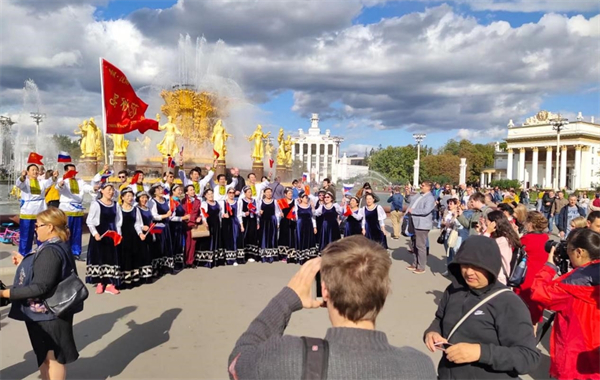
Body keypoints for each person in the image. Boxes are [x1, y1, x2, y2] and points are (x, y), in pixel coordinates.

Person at [228, 236, 437, 379]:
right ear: (384, 291)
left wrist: (286, 299)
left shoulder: (287, 357)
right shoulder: (419, 366)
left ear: (325, 291)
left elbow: (237, 362)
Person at [423, 236, 541, 379]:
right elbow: (439, 319)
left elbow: (529, 358)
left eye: (477, 267)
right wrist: (432, 332)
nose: (469, 272)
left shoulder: (508, 303)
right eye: (464, 265)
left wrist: (480, 353)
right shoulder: (453, 290)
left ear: (491, 266)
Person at [1, 208, 81, 380]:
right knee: (46, 357)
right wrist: (24, 263)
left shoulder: (51, 250)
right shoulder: (57, 245)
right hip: (50, 312)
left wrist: (5, 293)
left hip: (48, 314)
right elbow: (48, 273)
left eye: (38, 226)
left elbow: (41, 287)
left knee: (52, 358)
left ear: (50, 227)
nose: (35, 229)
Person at [531, 228, 600, 380]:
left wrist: (549, 266)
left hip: (575, 355)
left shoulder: (571, 286)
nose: (566, 253)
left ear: (580, 252)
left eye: (568, 249)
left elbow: (539, 292)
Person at [86, 183, 122, 295]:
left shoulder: (116, 205)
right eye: (108, 190)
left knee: (112, 258)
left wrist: (119, 234)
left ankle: (111, 284)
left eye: (112, 190)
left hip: (112, 234)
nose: (111, 192)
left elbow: (118, 221)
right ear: (102, 191)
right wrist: (95, 233)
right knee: (99, 257)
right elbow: (90, 221)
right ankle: (100, 282)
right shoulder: (96, 204)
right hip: (100, 235)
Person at [514, 211, 548, 328]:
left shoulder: (527, 239)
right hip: (541, 279)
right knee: (534, 318)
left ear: (531, 224)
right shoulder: (546, 237)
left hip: (527, 278)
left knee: (521, 314)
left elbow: (514, 250)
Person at [16, 164, 57, 255]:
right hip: (27, 213)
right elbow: (18, 183)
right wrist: (22, 176)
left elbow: (49, 182)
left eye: (36, 170)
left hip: (40, 212)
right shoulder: (25, 182)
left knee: (42, 234)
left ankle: (42, 253)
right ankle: (24, 255)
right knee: (26, 236)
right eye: (33, 170)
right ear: (28, 172)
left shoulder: (41, 182)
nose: (35, 171)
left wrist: (54, 177)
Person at [56, 164, 93, 260]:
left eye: (74, 171)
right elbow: (59, 187)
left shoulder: (80, 181)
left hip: (77, 209)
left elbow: (86, 187)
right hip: (66, 209)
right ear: (66, 171)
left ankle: (76, 252)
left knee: (77, 232)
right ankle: (64, 252)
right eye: (70, 171)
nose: (73, 173)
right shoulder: (62, 180)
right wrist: (61, 184)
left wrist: (93, 189)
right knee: (65, 232)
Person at [482, 210, 522, 285]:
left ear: (493, 223)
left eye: (486, 221)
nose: (485, 222)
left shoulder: (502, 240)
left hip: (498, 277)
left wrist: (487, 232)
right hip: (496, 275)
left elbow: (481, 248)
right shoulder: (505, 237)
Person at [116, 188, 146, 288]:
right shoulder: (119, 209)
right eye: (128, 196)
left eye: (131, 196)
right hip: (123, 236)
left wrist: (140, 233)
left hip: (133, 236)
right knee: (124, 257)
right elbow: (117, 224)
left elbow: (137, 224)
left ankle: (134, 279)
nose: (130, 198)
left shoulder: (135, 209)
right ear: (122, 197)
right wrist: (119, 236)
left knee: (134, 256)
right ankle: (124, 280)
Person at [406, 181, 435, 274]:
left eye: (422, 185)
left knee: (420, 246)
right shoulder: (419, 194)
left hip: (422, 224)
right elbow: (409, 200)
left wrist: (413, 211)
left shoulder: (430, 198)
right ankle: (415, 263)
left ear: (428, 187)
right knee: (414, 244)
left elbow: (426, 210)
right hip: (414, 222)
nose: (420, 187)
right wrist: (407, 193)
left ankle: (421, 267)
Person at [196, 188, 224, 268]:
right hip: (209, 224)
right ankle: (206, 261)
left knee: (216, 240)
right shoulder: (204, 204)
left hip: (217, 224)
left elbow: (220, 214)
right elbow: (203, 213)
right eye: (208, 194)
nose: (210, 195)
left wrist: (222, 219)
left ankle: (216, 260)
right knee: (208, 241)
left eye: (211, 193)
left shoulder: (217, 203)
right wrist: (205, 222)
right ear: (205, 195)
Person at [150, 183, 173, 274]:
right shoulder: (152, 202)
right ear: (154, 192)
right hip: (157, 227)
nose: (161, 191)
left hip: (166, 226)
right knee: (158, 246)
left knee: (166, 245)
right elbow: (154, 216)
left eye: (161, 189)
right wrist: (165, 215)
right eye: (159, 189)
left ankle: (166, 267)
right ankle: (157, 268)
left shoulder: (165, 200)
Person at [135, 191, 155, 282]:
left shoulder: (148, 208)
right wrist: (142, 227)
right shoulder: (136, 209)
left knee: (149, 253)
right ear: (138, 199)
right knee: (142, 253)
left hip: (149, 233)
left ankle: (148, 274)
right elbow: (135, 223)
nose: (144, 200)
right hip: (141, 234)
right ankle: (142, 275)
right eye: (142, 198)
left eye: (145, 197)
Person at [168, 184, 190, 270]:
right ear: (173, 191)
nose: (180, 192)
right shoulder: (171, 201)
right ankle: (174, 264)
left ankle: (179, 263)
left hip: (179, 226)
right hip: (174, 227)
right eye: (178, 190)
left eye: (181, 190)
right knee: (174, 244)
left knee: (179, 244)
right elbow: (171, 217)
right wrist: (183, 218)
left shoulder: (178, 201)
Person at [221, 187, 244, 266]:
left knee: (235, 239)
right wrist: (223, 215)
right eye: (230, 193)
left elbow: (239, 214)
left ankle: (234, 259)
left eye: (233, 193)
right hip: (226, 223)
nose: (231, 194)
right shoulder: (223, 202)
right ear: (227, 194)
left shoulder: (238, 202)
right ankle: (226, 258)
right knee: (226, 240)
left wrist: (241, 225)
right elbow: (219, 213)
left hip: (234, 223)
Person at [440, 198, 463, 276]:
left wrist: (451, 223)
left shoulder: (458, 213)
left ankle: (457, 271)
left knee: (455, 253)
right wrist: (443, 223)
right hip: (446, 233)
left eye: (451, 204)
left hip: (454, 234)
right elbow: (442, 221)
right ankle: (449, 270)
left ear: (456, 205)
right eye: (448, 204)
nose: (449, 205)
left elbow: (459, 224)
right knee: (448, 253)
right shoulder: (446, 212)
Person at [182, 185, 203, 268]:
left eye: (193, 189)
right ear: (187, 192)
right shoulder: (184, 201)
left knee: (193, 244)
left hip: (195, 225)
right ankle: (185, 261)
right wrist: (190, 220)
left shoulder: (198, 201)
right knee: (187, 243)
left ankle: (191, 261)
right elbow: (184, 213)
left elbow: (201, 212)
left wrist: (199, 218)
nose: (193, 191)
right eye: (190, 190)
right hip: (187, 224)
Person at [294, 191, 317, 264]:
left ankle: (309, 256)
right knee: (301, 239)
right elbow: (295, 217)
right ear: (301, 198)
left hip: (309, 225)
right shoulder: (297, 206)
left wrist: (314, 227)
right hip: (300, 225)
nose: (306, 199)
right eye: (305, 197)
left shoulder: (310, 206)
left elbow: (313, 217)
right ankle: (301, 257)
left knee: (309, 239)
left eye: (307, 197)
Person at [257, 187, 279, 262]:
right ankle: (264, 256)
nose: (269, 194)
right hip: (263, 221)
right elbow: (257, 212)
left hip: (272, 221)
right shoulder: (261, 202)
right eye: (267, 192)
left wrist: (278, 222)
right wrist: (259, 213)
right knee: (263, 237)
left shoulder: (275, 201)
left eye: (270, 192)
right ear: (264, 193)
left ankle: (271, 256)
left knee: (272, 237)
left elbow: (277, 212)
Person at [238, 186, 259, 262]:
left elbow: (257, 211)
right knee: (245, 236)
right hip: (245, 220)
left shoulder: (254, 201)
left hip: (253, 220)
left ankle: (252, 255)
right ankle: (245, 255)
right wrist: (244, 214)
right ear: (245, 193)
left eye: (251, 192)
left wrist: (257, 222)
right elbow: (239, 213)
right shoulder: (241, 201)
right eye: (248, 192)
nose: (250, 194)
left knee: (252, 236)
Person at [277, 188, 297, 263]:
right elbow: (277, 211)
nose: (290, 195)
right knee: (283, 238)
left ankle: (291, 255)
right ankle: (283, 255)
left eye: (291, 193)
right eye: (289, 193)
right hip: (284, 222)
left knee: (292, 237)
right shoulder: (281, 202)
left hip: (292, 222)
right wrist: (280, 214)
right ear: (285, 194)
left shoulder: (295, 202)